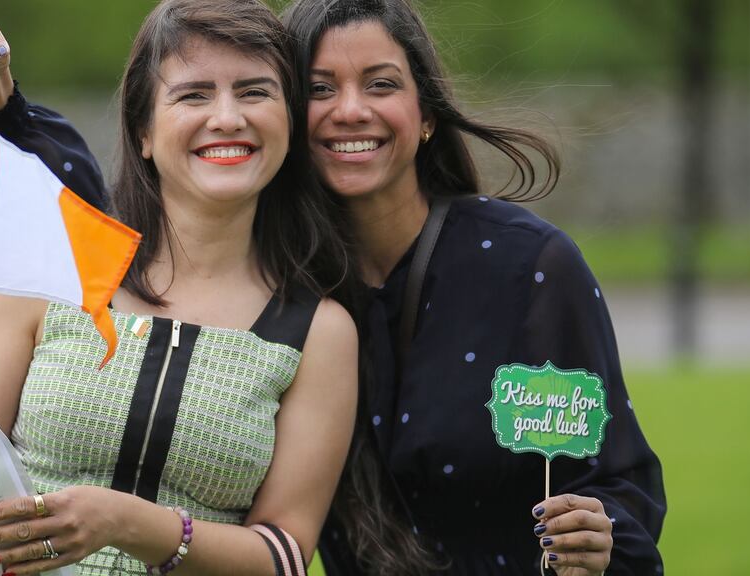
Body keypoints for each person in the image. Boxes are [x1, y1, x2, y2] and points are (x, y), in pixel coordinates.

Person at [0, 2, 358, 575]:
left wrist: (128, 523)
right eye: (194, 95)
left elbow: (284, 555)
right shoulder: (43, 272)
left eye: (255, 92)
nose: (228, 117)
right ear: (144, 132)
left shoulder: (319, 331)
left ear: (290, 123)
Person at [280, 1, 666, 574]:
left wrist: (597, 531)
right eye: (319, 89)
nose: (352, 110)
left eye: (381, 84)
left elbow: (618, 483)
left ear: (427, 114)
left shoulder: (530, 267)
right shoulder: (277, 284)